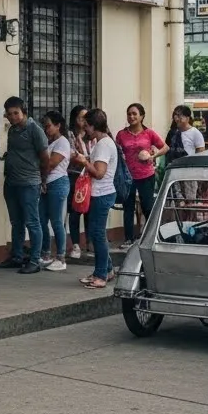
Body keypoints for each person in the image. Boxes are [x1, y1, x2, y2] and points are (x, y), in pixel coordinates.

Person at [0, 96, 50, 274]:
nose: (12, 117)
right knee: (16, 222)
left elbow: (45, 158)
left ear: (24, 112)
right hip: (12, 182)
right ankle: (17, 256)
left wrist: (43, 180)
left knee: (32, 222)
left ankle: (35, 260)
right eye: (9, 114)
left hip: (29, 183)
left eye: (16, 113)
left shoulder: (35, 130)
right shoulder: (12, 130)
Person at [70, 109, 119, 289]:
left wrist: (84, 162)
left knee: (97, 235)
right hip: (101, 193)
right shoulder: (103, 143)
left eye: (86, 127)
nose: (85, 131)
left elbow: (99, 173)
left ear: (92, 126)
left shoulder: (104, 144)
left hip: (102, 193)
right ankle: (107, 269)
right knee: (97, 233)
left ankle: (100, 275)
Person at [116, 103, 168, 248]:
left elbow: (165, 147)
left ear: (142, 116)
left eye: (134, 114)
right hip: (127, 177)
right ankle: (128, 239)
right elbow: (117, 152)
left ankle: (151, 237)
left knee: (147, 207)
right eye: (129, 114)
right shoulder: (121, 134)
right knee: (128, 207)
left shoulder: (149, 133)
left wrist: (154, 155)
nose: (131, 117)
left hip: (146, 175)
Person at [38, 111, 73, 272]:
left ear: (58, 125)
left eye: (49, 126)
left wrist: (41, 173)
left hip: (58, 183)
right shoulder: (49, 141)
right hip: (46, 183)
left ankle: (61, 256)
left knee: (56, 221)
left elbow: (51, 163)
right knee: (41, 219)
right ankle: (46, 254)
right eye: (45, 126)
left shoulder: (62, 142)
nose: (46, 129)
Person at [66, 105, 92, 260]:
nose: (84, 121)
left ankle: (89, 241)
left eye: (86, 117)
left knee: (89, 210)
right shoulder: (70, 135)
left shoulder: (92, 135)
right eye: (81, 117)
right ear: (75, 119)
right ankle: (75, 244)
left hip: (89, 176)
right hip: (74, 176)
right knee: (75, 211)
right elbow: (74, 155)